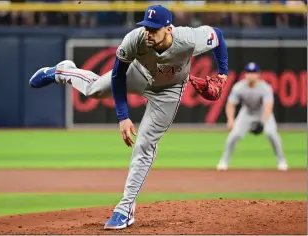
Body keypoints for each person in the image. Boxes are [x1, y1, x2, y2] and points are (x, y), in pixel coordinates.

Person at [29, 5, 228, 230]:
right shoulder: (134, 40)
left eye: (154, 29)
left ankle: (125, 208)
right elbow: (117, 76)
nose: (148, 33)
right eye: (146, 28)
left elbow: (218, 36)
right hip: (139, 73)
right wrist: (123, 117)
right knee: (94, 90)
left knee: (145, 145)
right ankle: (63, 72)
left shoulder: (189, 39)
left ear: (169, 29)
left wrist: (223, 74)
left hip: (170, 90)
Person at [216, 62, 288, 171]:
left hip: (263, 112)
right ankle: (224, 161)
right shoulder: (239, 87)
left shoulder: (265, 88)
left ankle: (281, 160)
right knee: (234, 135)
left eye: (253, 73)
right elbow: (231, 104)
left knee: (271, 134)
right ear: (245, 74)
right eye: (249, 72)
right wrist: (230, 120)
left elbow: (268, 106)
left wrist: (262, 122)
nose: (251, 75)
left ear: (258, 74)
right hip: (247, 113)